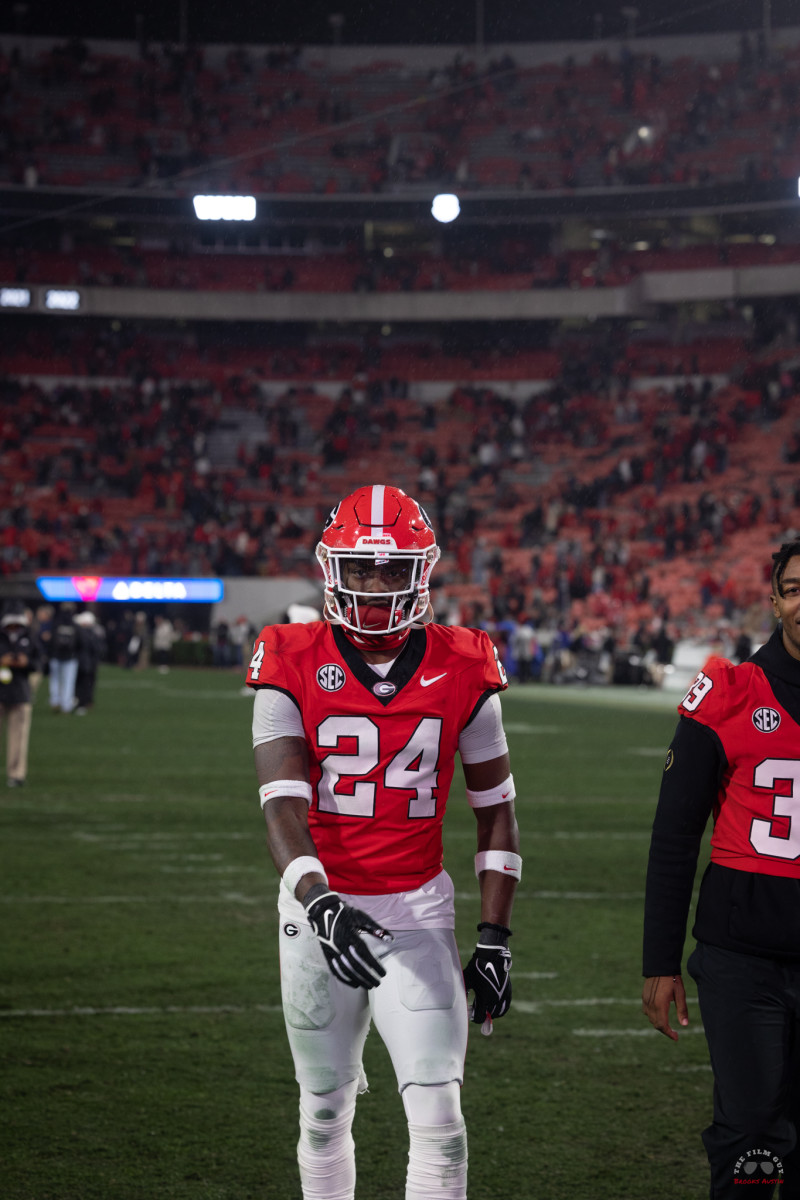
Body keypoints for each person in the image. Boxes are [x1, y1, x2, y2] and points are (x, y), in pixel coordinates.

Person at [245, 484, 521, 1200]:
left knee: (440, 1119)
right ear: (333, 570)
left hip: (416, 912)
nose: (375, 585)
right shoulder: (287, 656)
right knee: (325, 1110)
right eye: (361, 570)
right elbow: (281, 807)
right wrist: (322, 904)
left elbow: (496, 811)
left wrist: (494, 936)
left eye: (392, 570)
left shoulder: (466, 663)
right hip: (319, 912)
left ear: (421, 572)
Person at [642, 539, 800, 1199]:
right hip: (744, 958)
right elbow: (675, 836)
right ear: (774, 600)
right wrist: (659, 961)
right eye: (795, 588)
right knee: (750, 1134)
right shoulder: (730, 692)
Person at [0, 604, 43, 786]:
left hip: (20, 690)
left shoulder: (29, 639)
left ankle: (16, 774)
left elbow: (39, 662)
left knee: (19, 736)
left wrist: (26, 663)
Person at [48, 602, 80, 714]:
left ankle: (55, 702)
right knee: (68, 682)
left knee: (55, 680)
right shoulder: (74, 624)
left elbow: (51, 640)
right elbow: (80, 641)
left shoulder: (56, 623)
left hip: (56, 656)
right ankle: (66, 705)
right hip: (70, 657)